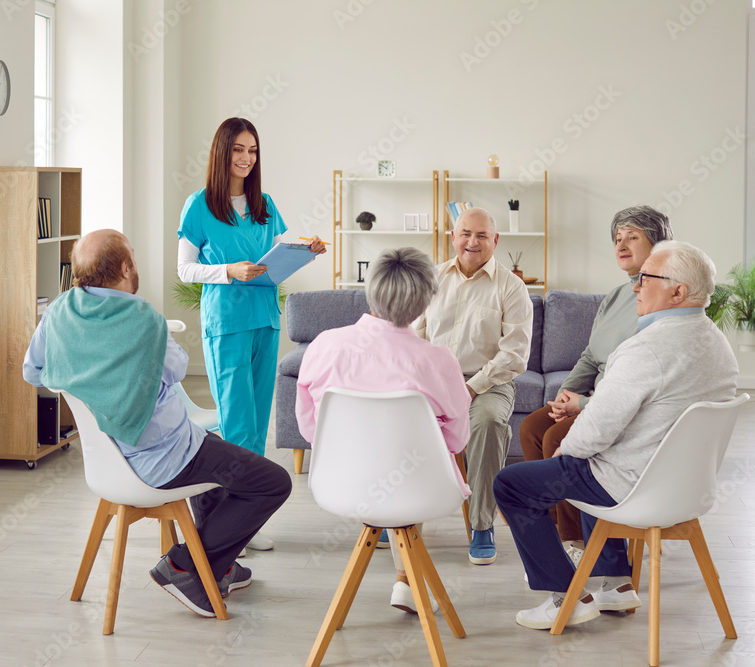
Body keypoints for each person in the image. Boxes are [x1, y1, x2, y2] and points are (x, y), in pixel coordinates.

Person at [23, 229, 292, 618]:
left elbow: (35, 373)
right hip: (163, 460)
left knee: (210, 447)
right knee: (271, 482)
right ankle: (184, 565)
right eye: (133, 256)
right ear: (126, 267)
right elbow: (178, 368)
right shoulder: (144, 320)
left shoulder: (58, 312)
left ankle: (219, 565)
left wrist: (90, 378)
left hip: (107, 463)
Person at [494, 241, 738, 630]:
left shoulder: (645, 349)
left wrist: (561, 462)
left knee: (513, 484)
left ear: (678, 291)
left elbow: (592, 434)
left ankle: (565, 597)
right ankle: (612, 581)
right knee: (595, 460)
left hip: (633, 488)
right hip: (689, 491)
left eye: (646, 279)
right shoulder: (719, 344)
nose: (635, 287)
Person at [295, 247, 472, 614]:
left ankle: (405, 579)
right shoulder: (438, 362)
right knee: (416, 456)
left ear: (370, 290)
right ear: (424, 304)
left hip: (339, 484)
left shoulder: (325, 345)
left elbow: (310, 429)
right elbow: (457, 440)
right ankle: (406, 581)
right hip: (415, 489)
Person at [177, 117, 324, 551]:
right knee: (237, 424)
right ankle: (229, 524)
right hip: (226, 322)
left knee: (258, 424)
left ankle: (248, 517)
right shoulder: (200, 205)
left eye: (252, 150)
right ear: (222, 152)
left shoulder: (264, 203)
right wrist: (227, 271)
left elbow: (277, 255)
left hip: (265, 318)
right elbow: (184, 268)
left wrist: (306, 252)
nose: (246, 158)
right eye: (239, 149)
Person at [519, 206, 673, 561]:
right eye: (618, 238)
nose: (621, 244)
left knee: (559, 438)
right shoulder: (618, 296)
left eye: (632, 236)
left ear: (658, 242)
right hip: (595, 397)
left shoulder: (661, 298)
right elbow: (591, 355)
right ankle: (563, 528)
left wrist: (583, 405)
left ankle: (586, 545)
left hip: (623, 407)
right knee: (533, 426)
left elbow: (640, 380)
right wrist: (564, 396)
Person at [412, 207, 532, 565]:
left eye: (481, 235)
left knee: (488, 422)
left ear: (495, 241)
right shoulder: (432, 278)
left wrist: (470, 387)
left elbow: (515, 355)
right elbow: (415, 333)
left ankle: (482, 524)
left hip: (489, 383)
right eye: (465, 233)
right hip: (434, 379)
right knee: (399, 417)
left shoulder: (512, 287)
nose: (472, 241)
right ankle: (399, 515)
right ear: (453, 237)